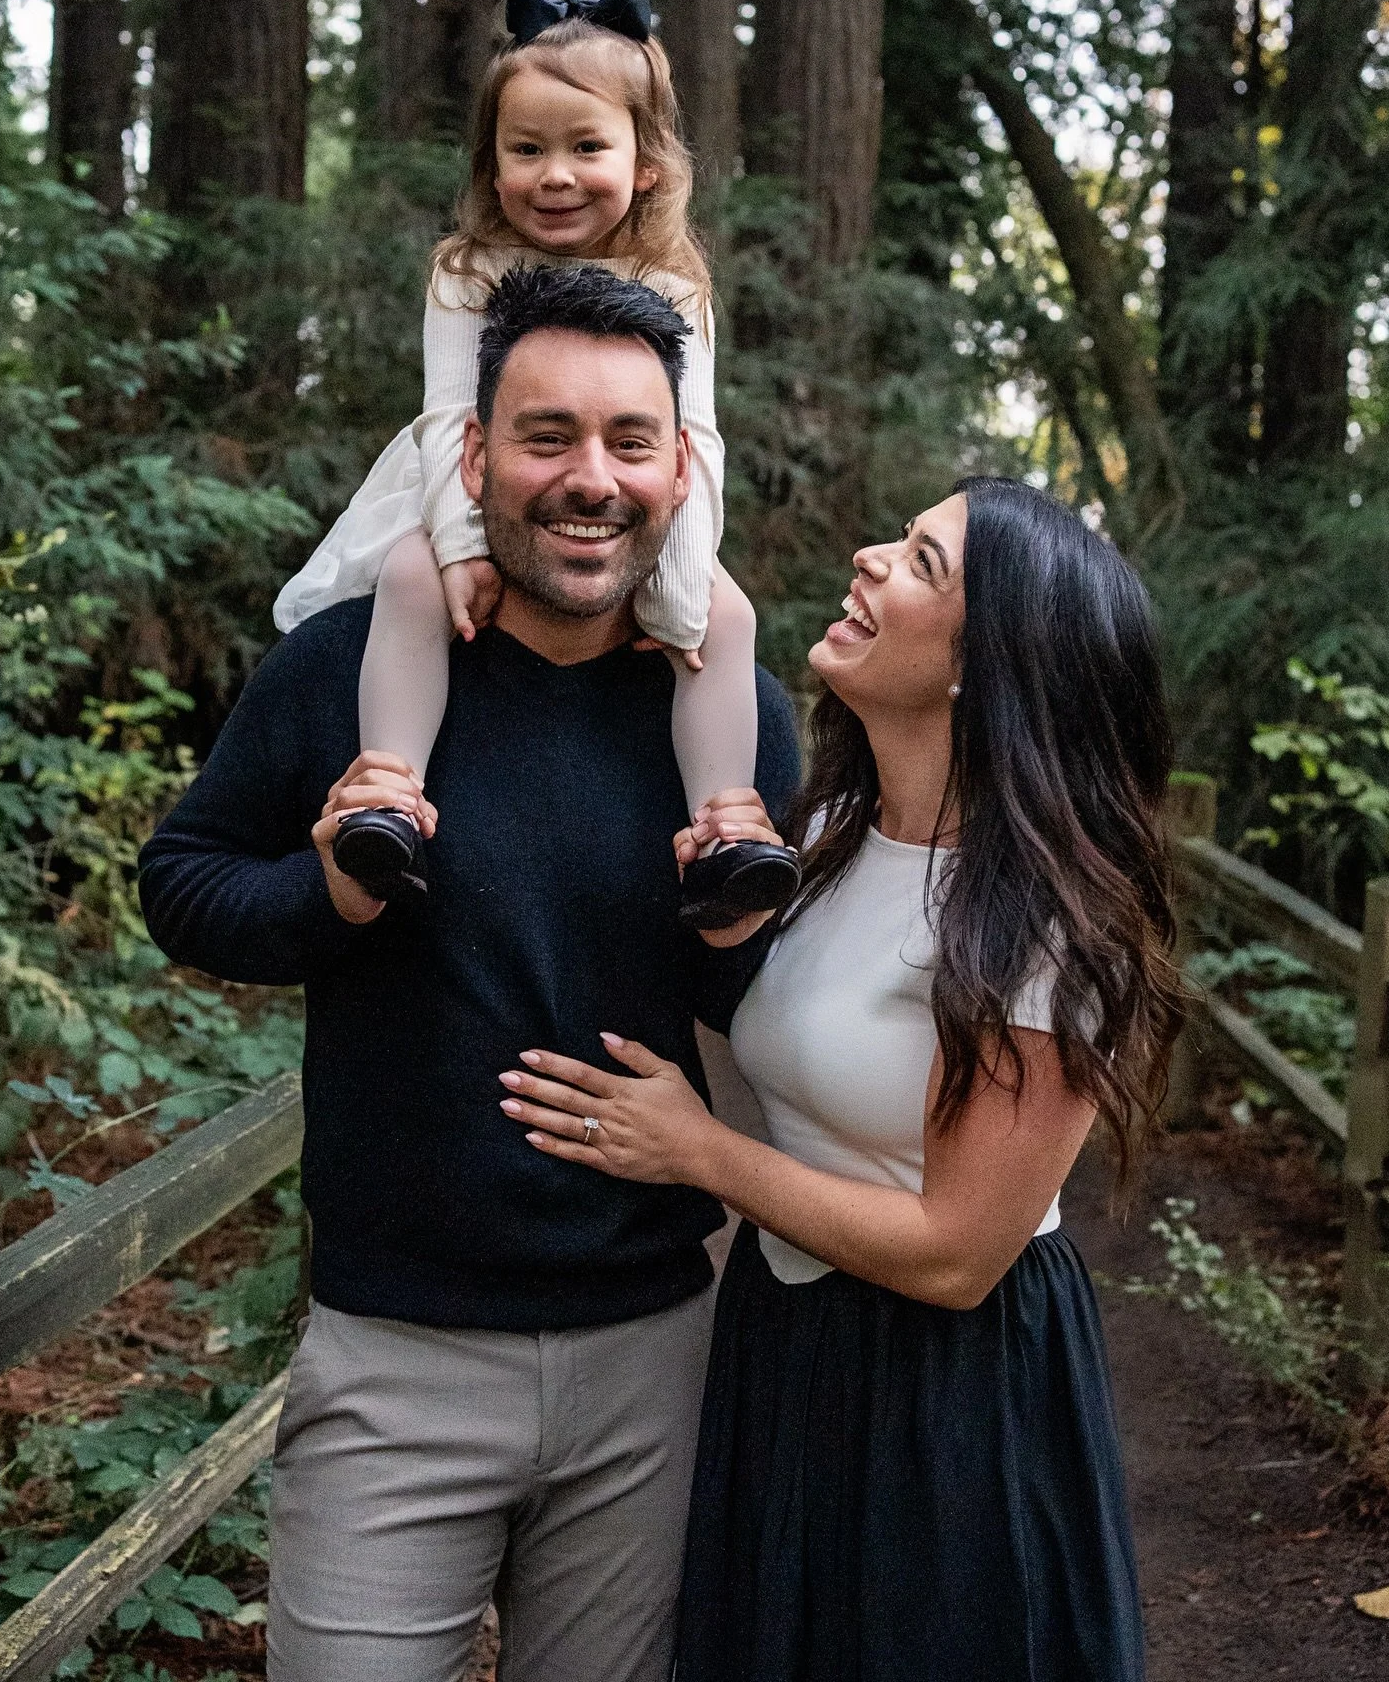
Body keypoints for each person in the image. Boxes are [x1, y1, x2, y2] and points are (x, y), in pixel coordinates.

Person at [137, 264, 801, 1682]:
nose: (591, 479)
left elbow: (769, 1015)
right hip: (396, 1362)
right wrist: (329, 891)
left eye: (629, 441)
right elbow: (183, 886)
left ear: (682, 469)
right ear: (475, 455)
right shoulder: (343, 673)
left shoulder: (733, 714)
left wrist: (737, 945)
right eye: (546, 436)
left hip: (655, 1361)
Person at [500, 475, 1186, 1682]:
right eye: (901, 537)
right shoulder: (819, 838)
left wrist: (698, 1153)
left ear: (986, 666)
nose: (870, 557)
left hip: (950, 1398)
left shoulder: (1048, 922)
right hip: (787, 1344)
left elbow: (959, 1255)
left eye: (922, 562)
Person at [272, 0, 800, 930]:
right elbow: (449, 419)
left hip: (644, 510)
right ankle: (388, 799)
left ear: (645, 164)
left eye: (586, 148)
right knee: (411, 579)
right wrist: (463, 548)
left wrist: (676, 586)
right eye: (526, 150)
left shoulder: (675, 283)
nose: (555, 176)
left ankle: (725, 833)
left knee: (723, 621)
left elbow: (692, 440)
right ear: (492, 163)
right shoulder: (467, 271)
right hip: (467, 487)